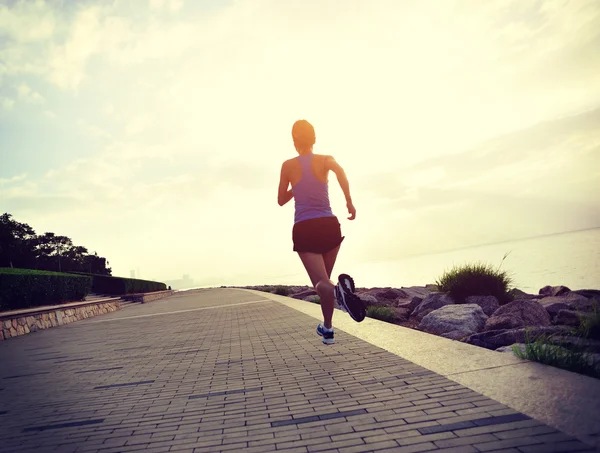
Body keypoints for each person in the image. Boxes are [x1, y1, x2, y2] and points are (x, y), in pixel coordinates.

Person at [277, 119, 366, 345]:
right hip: (329, 225)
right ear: (314, 139)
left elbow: (280, 200)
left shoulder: (287, 165)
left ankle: (340, 294)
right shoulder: (326, 159)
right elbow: (340, 171)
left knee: (321, 284)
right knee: (324, 283)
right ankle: (327, 329)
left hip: (305, 228)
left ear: (294, 141)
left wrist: (296, 188)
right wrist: (349, 202)